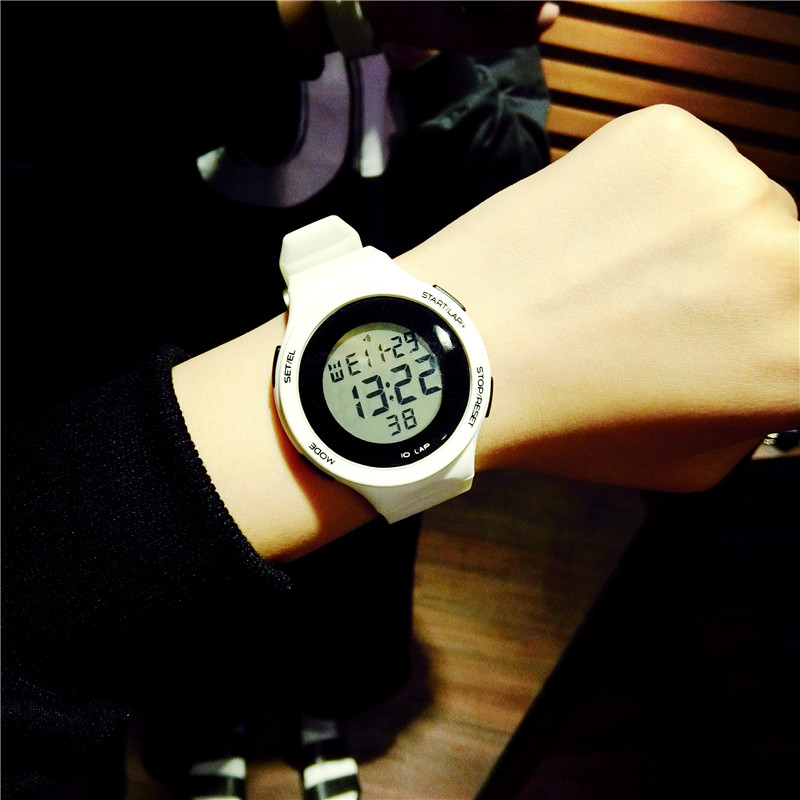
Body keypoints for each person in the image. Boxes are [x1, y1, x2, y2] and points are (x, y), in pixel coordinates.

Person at [3, 101, 798, 797]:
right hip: (187, 302)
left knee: (350, 588)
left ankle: (316, 709)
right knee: (220, 616)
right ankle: (218, 721)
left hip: (351, 283)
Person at [2, 1, 561, 795]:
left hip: (384, 351)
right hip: (186, 329)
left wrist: (439, 60)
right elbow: (77, 129)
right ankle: (206, 719)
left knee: (356, 559)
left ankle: (322, 707)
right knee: (206, 548)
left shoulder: (474, 19)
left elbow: (510, 174)